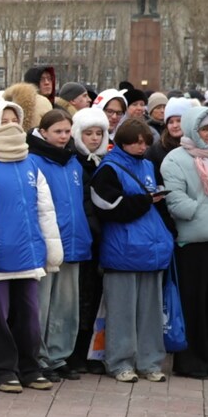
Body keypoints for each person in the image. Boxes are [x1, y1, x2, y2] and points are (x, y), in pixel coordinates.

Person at [0, 100, 63, 394]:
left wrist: (51, 249)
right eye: (3, 120)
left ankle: (29, 368)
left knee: (29, 317)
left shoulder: (30, 162)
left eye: (14, 119)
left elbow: (45, 210)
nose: (11, 125)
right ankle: (2, 370)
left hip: (29, 255)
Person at [90, 118, 171, 382]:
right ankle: (120, 362)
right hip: (123, 250)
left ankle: (150, 362)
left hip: (153, 249)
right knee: (122, 312)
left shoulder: (149, 165)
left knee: (150, 313)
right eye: (136, 142)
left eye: (145, 142)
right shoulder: (108, 168)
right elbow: (110, 207)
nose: (141, 146)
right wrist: (145, 199)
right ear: (122, 141)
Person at [27, 110, 93, 382]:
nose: (64, 137)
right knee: (42, 306)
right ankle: (38, 358)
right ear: (43, 132)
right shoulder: (33, 162)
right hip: (48, 244)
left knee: (66, 307)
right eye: (58, 131)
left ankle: (59, 356)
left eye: (67, 131)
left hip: (74, 242)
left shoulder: (74, 163)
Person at [161, 105, 208, 378]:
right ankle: (190, 360)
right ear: (193, 129)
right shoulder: (175, 159)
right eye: (205, 129)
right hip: (190, 244)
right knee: (192, 303)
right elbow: (176, 201)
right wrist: (202, 211)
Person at [66, 107, 110, 375]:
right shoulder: (72, 162)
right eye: (88, 133)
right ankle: (74, 354)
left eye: (99, 133)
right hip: (83, 239)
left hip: (104, 239)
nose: (94, 138)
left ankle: (92, 352)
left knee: (95, 299)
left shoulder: (107, 161)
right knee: (78, 298)